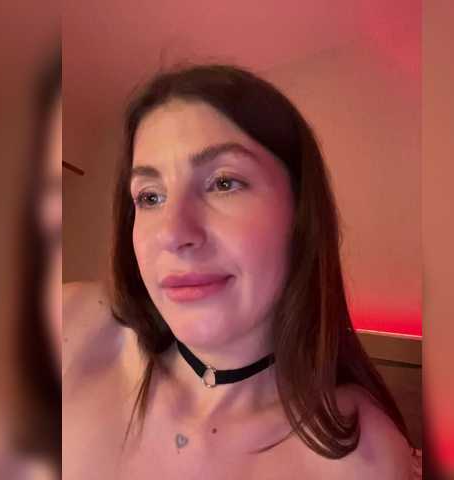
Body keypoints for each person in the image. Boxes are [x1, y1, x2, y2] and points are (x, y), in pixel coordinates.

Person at [63, 64, 419, 479]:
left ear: (300, 214)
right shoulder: (68, 326)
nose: (172, 234)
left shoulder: (363, 458)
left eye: (224, 183)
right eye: (150, 197)